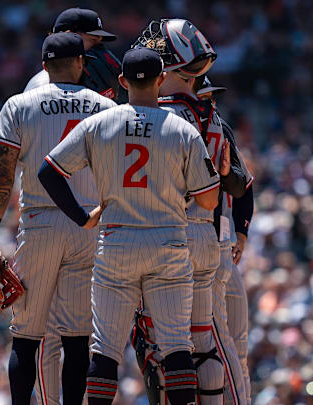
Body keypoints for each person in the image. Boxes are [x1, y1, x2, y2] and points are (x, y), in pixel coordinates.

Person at [39, 47, 221, 405]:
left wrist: (82, 216)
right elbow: (209, 201)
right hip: (168, 243)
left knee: (105, 351)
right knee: (176, 348)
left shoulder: (99, 123)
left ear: (122, 82)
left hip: (117, 242)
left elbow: (50, 172)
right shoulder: (182, 130)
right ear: (160, 80)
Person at [0, 32, 116, 405]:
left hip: (39, 222)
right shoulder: (103, 107)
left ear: (43, 66)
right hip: (87, 223)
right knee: (76, 340)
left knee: (26, 337)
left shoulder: (18, 104)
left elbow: (2, 176)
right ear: (81, 63)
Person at [133, 19, 250, 405]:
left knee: (167, 344)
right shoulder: (211, 116)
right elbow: (237, 182)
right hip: (207, 235)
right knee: (209, 340)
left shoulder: (156, 116)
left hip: (168, 232)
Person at [196, 78, 255, 404]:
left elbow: (245, 187)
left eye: (211, 96)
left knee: (236, 346)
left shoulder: (219, 128)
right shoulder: (177, 128)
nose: (210, 102)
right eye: (204, 95)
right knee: (215, 345)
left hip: (221, 241)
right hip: (194, 246)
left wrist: (242, 233)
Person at [25, 7, 128, 104]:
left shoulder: (80, 85)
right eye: (93, 40)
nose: (99, 50)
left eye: (100, 43)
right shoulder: (42, 85)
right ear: (68, 36)